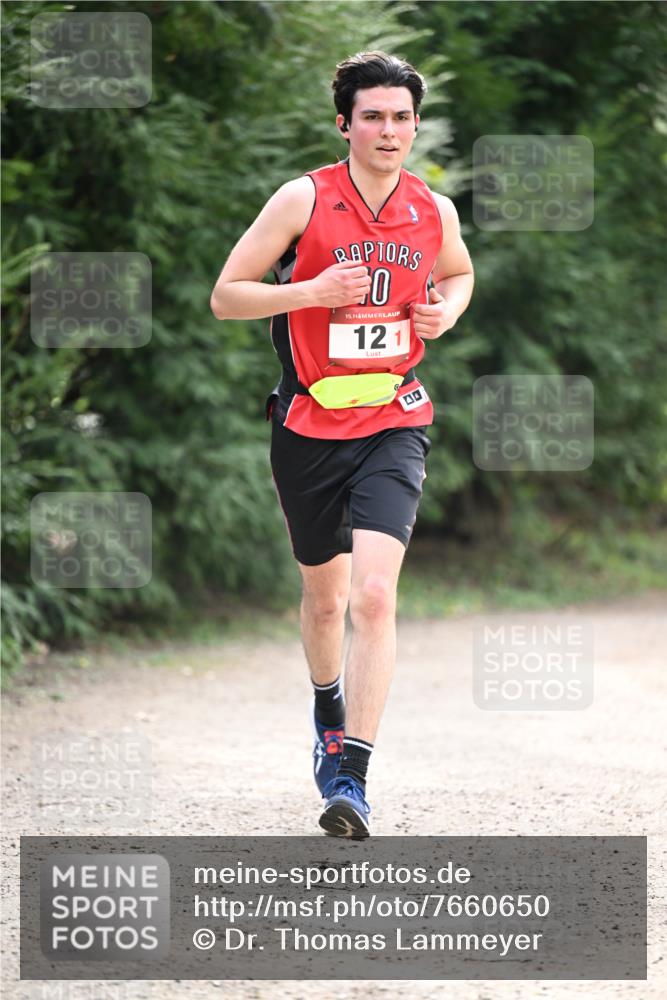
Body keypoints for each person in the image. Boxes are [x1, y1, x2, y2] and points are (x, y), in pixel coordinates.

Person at [210, 51, 474, 839]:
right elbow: (227, 297)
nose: (387, 130)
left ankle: (351, 778)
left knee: (372, 595)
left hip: (394, 418)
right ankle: (326, 705)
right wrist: (310, 292)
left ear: (415, 125)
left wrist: (445, 314)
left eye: (400, 116)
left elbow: (457, 276)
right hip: (307, 425)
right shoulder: (303, 198)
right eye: (372, 116)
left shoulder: (434, 211)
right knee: (324, 599)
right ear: (344, 124)